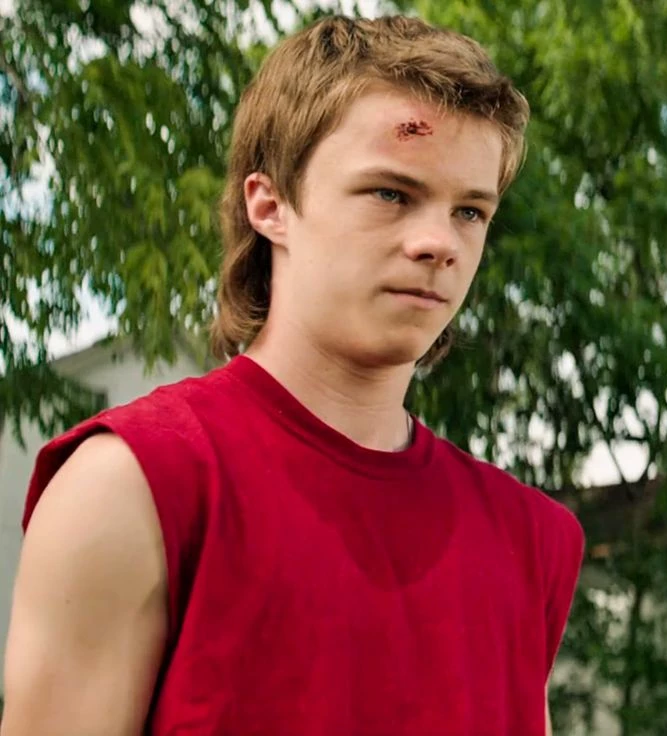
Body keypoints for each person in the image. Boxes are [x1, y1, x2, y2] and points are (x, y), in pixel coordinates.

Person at [1, 14, 584, 736]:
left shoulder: (530, 541)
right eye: (391, 193)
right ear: (270, 204)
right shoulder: (130, 486)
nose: (440, 243)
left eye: (470, 210)